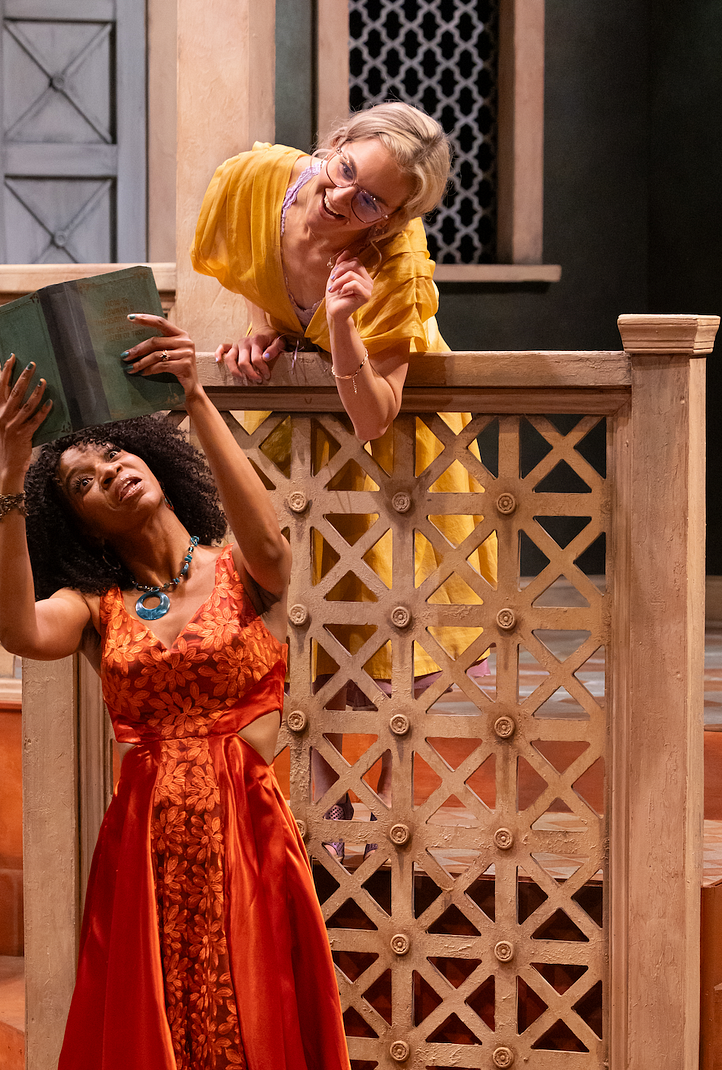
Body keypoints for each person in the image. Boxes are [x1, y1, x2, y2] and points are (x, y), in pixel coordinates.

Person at [0, 314, 385, 1070]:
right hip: (143, 876)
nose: (101, 470)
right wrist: (14, 483)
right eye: (81, 479)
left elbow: (276, 543)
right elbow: (20, 627)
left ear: (149, 461)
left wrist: (198, 395)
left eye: (107, 454)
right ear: (83, 520)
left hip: (250, 868)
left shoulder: (233, 570)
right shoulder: (97, 607)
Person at [192, 104, 497, 850]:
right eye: (345, 171)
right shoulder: (255, 183)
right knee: (306, 617)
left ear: (390, 219)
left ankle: (394, 829)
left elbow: (375, 413)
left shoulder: (395, 260)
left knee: (392, 632)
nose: (341, 199)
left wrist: (336, 325)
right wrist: (266, 337)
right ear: (336, 144)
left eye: (368, 202)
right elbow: (268, 288)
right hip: (305, 446)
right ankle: (323, 829)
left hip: (397, 456)